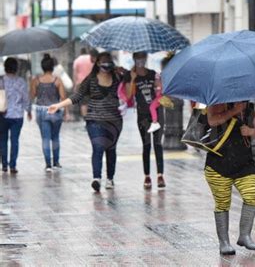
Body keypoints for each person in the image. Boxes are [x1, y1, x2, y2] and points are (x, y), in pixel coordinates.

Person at [48, 52, 123, 192]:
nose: (106, 64)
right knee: (98, 147)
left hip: (114, 121)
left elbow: (131, 88)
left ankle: (110, 178)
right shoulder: (91, 79)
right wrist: (58, 105)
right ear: (98, 63)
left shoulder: (118, 77)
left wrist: (127, 73)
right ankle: (96, 178)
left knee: (111, 149)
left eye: (108, 61)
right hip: (94, 120)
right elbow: (77, 96)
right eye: (103, 62)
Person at [205, 102, 255, 256]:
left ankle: (245, 235)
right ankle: (224, 242)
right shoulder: (217, 102)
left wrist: (250, 131)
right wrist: (234, 111)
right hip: (218, 164)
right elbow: (212, 121)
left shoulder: (249, 107)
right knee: (222, 203)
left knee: (252, 195)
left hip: (244, 163)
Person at [123, 52, 167, 189]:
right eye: (138, 58)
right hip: (142, 114)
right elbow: (129, 95)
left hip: (157, 113)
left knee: (158, 143)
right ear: (134, 59)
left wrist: (158, 83)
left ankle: (160, 175)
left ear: (146, 59)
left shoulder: (152, 74)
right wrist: (132, 79)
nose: (140, 60)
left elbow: (160, 90)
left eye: (143, 57)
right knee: (146, 144)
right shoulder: (130, 75)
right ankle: (147, 176)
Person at [31, 54, 69, 172]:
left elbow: (33, 95)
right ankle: (56, 162)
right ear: (52, 67)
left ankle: (48, 164)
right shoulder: (57, 80)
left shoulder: (36, 80)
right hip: (56, 110)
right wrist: (66, 112)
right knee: (55, 137)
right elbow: (63, 97)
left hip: (42, 111)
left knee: (45, 138)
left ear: (42, 67)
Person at [1, 58, 32, 174]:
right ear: (16, 68)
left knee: (2, 140)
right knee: (15, 140)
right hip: (17, 116)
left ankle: (4, 165)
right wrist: (28, 111)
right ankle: (12, 165)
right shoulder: (21, 82)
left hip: (3, 114)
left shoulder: (1, 81)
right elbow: (26, 99)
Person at [73, 48, 99, 117]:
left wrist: (75, 86)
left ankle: (85, 120)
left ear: (80, 53)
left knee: (83, 103)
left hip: (81, 84)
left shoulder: (77, 60)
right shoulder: (90, 58)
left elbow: (75, 74)